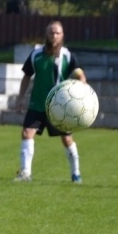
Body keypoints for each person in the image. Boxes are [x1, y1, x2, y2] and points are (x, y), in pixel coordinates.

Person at [14, 21, 85, 183]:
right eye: (51, 32)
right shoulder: (36, 54)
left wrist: (81, 86)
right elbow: (26, 76)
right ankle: (25, 173)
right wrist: (20, 97)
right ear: (46, 34)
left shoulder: (67, 56)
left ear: (62, 35)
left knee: (67, 139)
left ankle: (76, 173)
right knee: (27, 133)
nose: (54, 36)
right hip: (37, 104)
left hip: (59, 107)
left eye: (57, 33)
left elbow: (80, 74)